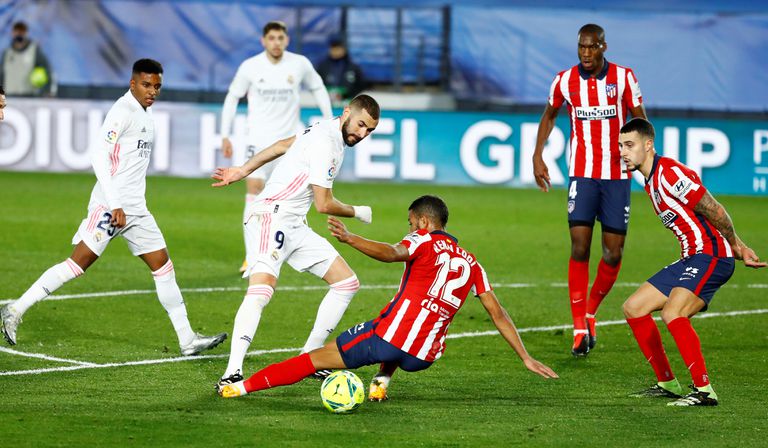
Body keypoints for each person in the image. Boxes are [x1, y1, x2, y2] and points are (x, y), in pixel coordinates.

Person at [215, 195, 559, 401]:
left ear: (424, 221)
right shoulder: (473, 263)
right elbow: (498, 314)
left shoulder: (422, 240)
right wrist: (525, 357)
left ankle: (240, 388)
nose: (410, 228)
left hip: (391, 341)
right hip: (425, 356)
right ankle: (381, 381)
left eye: (411, 222)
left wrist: (351, 239)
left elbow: (393, 252)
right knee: (394, 318)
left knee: (314, 359)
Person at [0, 59, 227, 356]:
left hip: (136, 210)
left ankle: (187, 339)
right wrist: (116, 204)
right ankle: (15, 310)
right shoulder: (122, 111)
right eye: (146, 85)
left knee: (163, 265)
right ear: (133, 83)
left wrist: (129, 205)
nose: (152, 91)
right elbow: (99, 155)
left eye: (157, 86)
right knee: (77, 265)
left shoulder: (146, 116)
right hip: (111, 207)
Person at [211, 94, 380, 387]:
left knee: (346, 283)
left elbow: (280, 146)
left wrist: (242, 170)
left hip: (294, 224)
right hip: (270, 216)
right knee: (262, 289)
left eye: (369, 130)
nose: (362, 134)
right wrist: (358, 211)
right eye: (361, 125)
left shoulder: (326, 130)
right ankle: (231, 373)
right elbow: (324, 204)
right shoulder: (327, 144)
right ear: (347, 112)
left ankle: (308, 358)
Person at [618, 118, 765, 406]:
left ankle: (704, 390)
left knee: (674, 313)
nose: (623, 151)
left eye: (630, 145)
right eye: (621, 145)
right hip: (692, 256)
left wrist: (737, 246)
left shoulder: (669, 173)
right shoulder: (650, 181)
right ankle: (667, 383)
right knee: (634, 308)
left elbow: (713, 208)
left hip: (712, 255)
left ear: (648, 145)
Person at [532, 23, 646, 356]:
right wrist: (538, 154)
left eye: (591, 47)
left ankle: (591, 310)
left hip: (617, 175)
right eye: (581, 47)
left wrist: (642, 157)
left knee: (613, 252)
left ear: (603, 47)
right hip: (582, 174)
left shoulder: (624, 78)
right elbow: (549, 114)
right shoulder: (564, 81)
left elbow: (639, 119)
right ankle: (579, 327)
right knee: (579, 245)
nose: (585, 53)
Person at [219, 21, 333, 274]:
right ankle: (251, 257)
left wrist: (328, 120)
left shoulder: (299, 63)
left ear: (287, 40)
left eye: (280, 38)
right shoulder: (250, 67)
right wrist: (225, 134)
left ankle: (286, 247)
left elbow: (318, 87)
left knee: (291, 196)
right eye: (271, 38)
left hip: (291, 141)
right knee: (254, 191)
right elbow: (232, 97)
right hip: (258, 140)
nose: (276, 42)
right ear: (263, 41)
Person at [0, 21, 56, 97]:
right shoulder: (7, 52)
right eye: (17, 32)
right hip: (9, 97)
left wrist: (48, 91)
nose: (19, 34)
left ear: (26, 33)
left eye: (22, 32)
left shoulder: (34, 50)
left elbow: (47, 70)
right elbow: (1, 74)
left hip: (29, 97)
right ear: (12, 33)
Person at [316, 34, 366, 106]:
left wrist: (347, 95)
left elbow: (361, 84)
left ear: (343, 50)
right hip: (327, 102)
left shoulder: (353, 67)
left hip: (348, 102)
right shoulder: (322, 66)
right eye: (333, 49)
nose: (335, 51)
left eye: (338, 49)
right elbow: (317, 83)